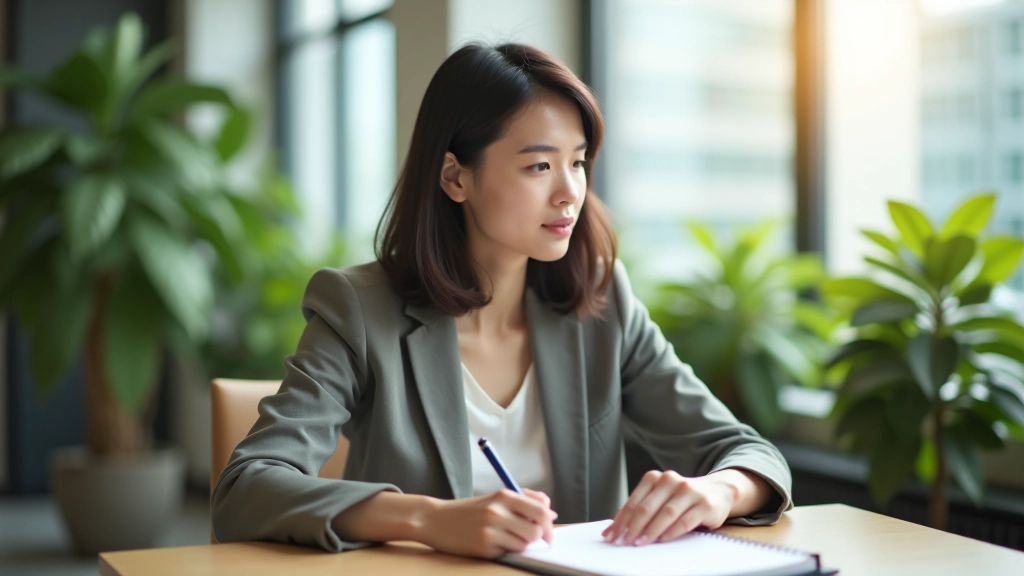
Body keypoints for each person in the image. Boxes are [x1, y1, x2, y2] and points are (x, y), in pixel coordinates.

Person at [211, 42, 792, 559]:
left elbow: (748, 452)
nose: (569, 192)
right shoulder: (360, 312)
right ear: (455, 178)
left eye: (578, 162)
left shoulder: (602, 301)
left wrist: (715, 491)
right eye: (539, 165)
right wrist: (428, 519)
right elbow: (248, 486)